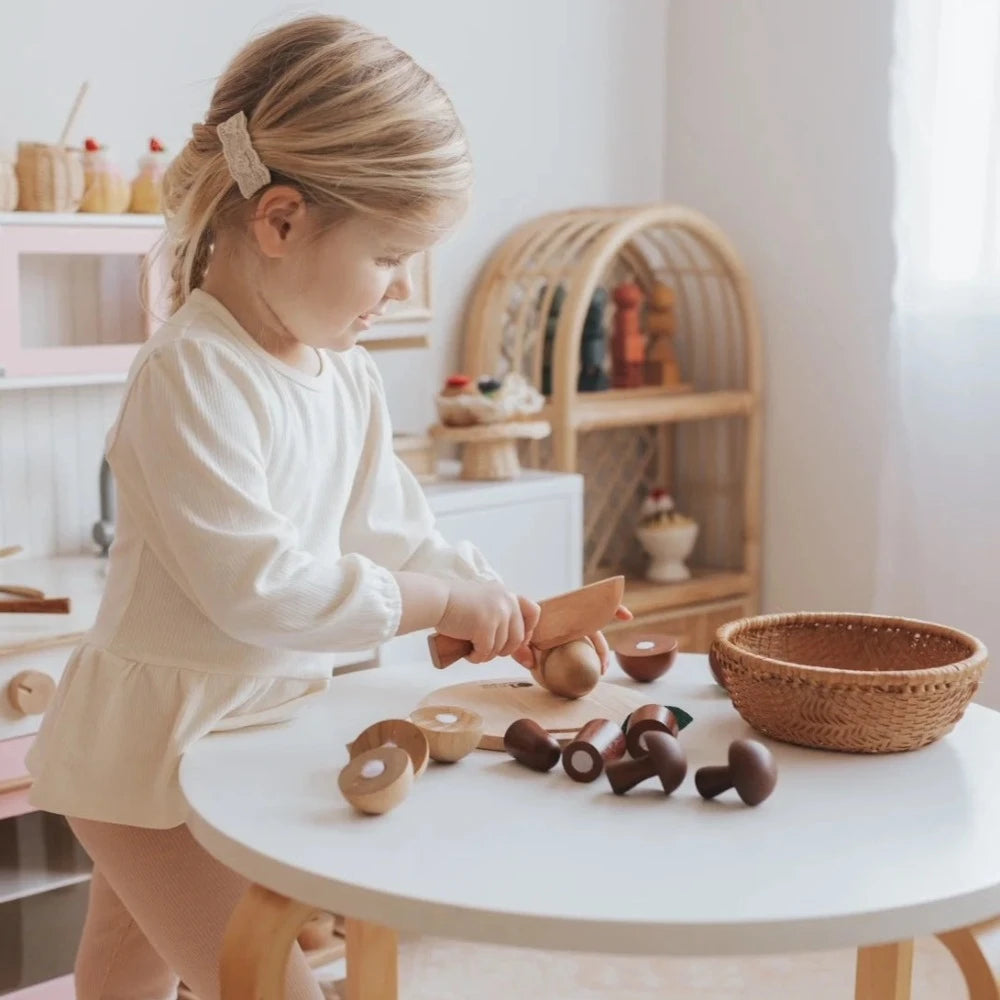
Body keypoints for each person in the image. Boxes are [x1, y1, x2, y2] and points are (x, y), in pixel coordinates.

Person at [25, 15, 627, 1000]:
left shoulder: (341, 374)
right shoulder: (191, 372)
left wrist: (498, 607)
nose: (399, 288)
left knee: (129, 957)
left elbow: (392, 530)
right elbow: (258, 590)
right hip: (151, 753)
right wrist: (437, 604)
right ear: (280, 222)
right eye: (389, 256)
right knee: (259, 979)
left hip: (235, 736)